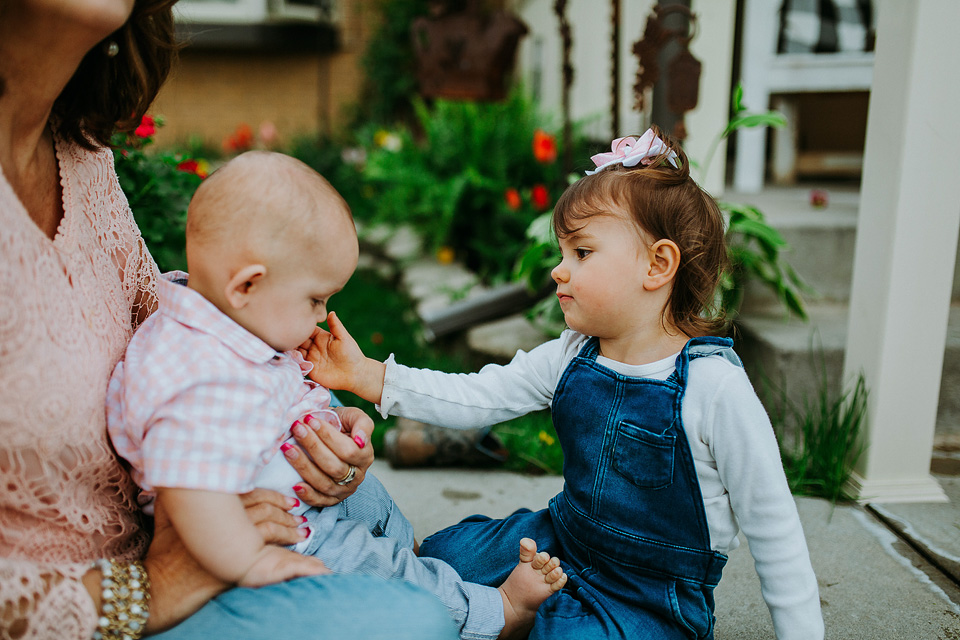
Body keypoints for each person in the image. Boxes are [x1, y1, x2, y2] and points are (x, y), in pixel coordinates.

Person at [0, 2, 454, 638]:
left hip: (185, 523)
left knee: (369, 507)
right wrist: (151, 588)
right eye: (318, 299)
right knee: (417, 622)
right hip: (112, 594)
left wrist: (302, 424)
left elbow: (177, 326)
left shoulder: (79, 157)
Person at [304, 127, 825, 640]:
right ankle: (521, 608)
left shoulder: (713, 387)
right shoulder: (573, 355)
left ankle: (527, 617)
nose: (558, 270)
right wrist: (369, 376)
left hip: (650, 593)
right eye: (561, 252)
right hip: (562, 539)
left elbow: (773, 529)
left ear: (657, 265)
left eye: (581, 253)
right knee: (445, 557)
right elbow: (479, 396)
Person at [106, 150, 567, 639]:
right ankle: (494, 613)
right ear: (247, 285)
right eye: (315, 299)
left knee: (373, 505)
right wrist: (250, 560)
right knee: (372, 566)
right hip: (277, 530)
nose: (321, 315)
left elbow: (272, 402)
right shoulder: (195, 375)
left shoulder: (227, 325)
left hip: (295, 484)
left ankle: (406, 550)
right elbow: (190, 495)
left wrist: (334, 413)